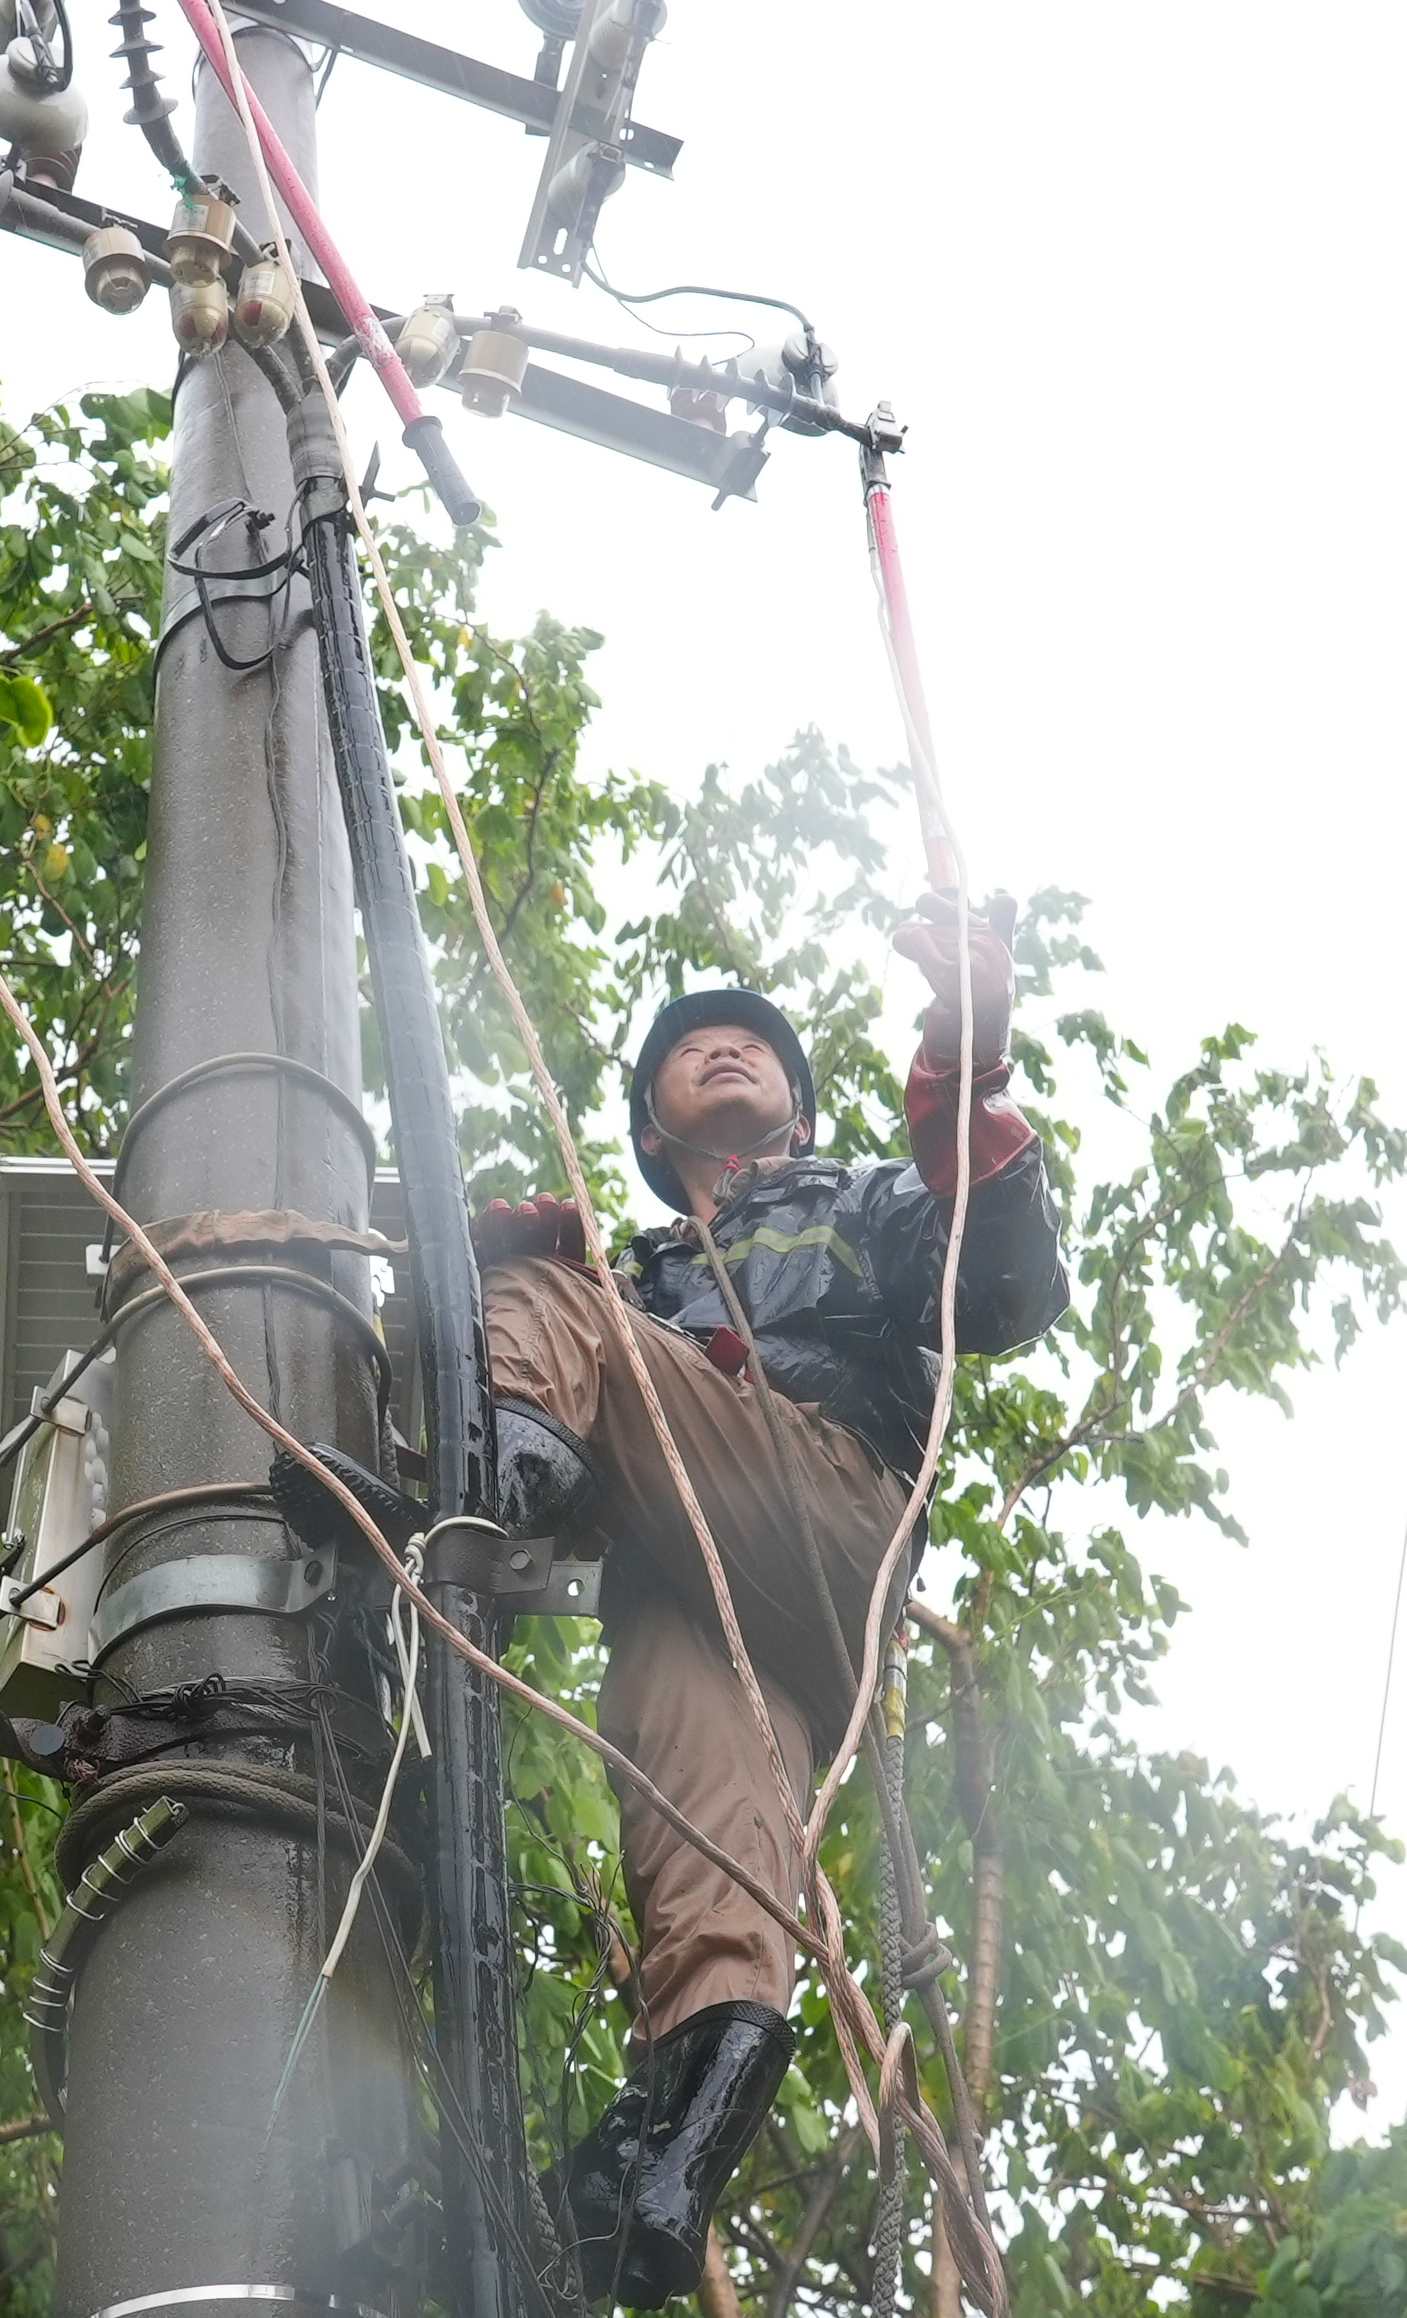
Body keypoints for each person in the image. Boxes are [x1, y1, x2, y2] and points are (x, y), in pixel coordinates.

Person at [468, 895, 1069, 2306]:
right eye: (693, 1048)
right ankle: (667, 2154)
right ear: (653, 1128)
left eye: (753, 1044)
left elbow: (1000, 1281)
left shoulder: (854, 1203)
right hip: (720, 1595)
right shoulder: (639, 1269)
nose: (725, 1048)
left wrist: (962, 1064)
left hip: (827, 1518)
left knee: (537, 1291)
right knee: (706, 1834)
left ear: (797, 1109)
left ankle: (483, 1494)